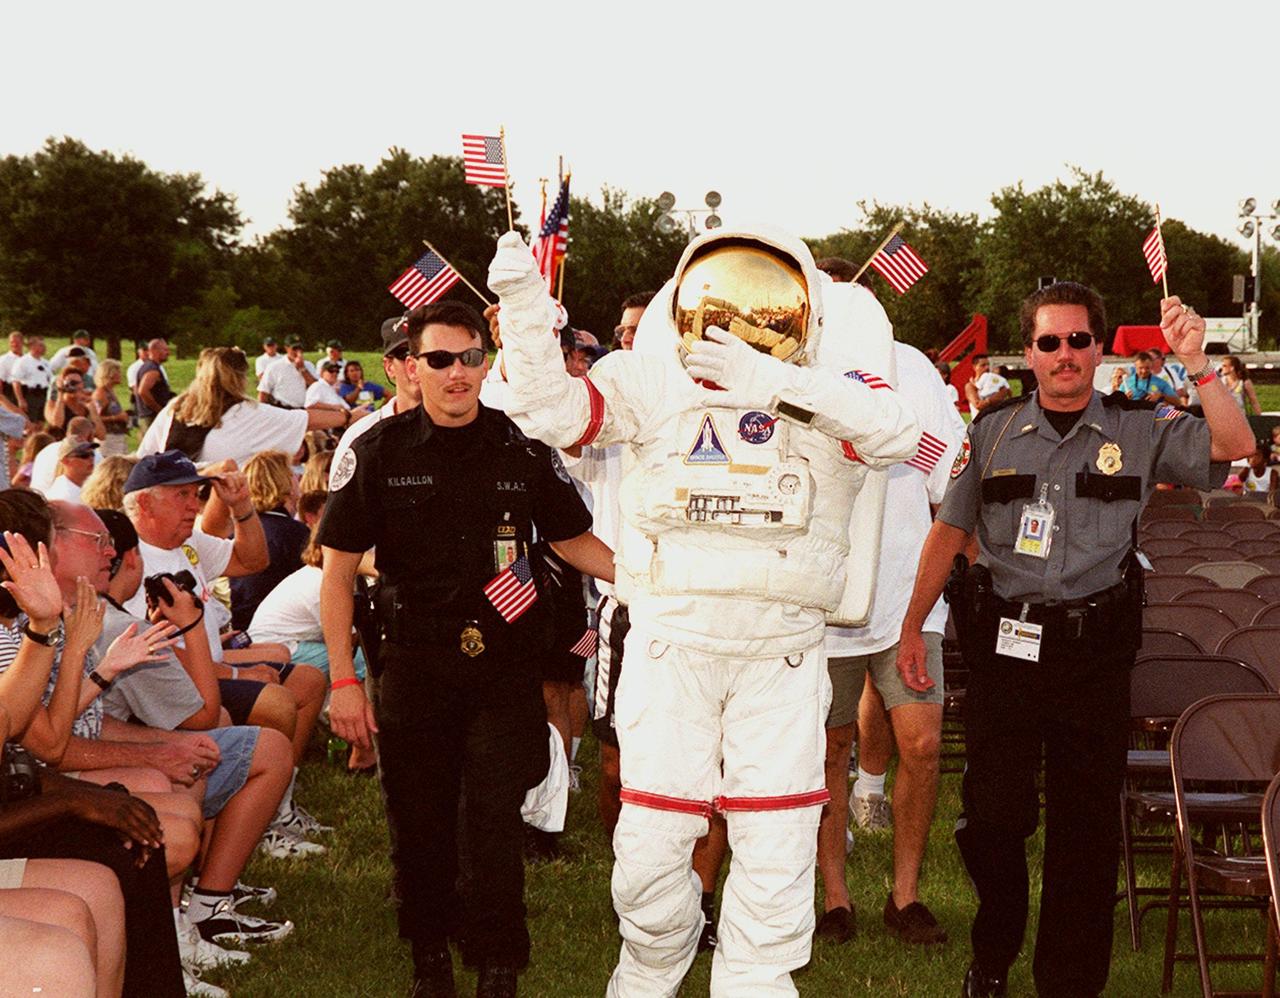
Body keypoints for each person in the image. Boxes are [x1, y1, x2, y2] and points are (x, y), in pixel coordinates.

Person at [488, 224, 919, 996]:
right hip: (671, 644)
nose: (733, 320)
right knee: (651, 841)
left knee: (776, 835)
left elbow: (897, 432)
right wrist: (523, 308)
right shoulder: (649, 379)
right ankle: (652, 965)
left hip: (780, 652)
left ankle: (754, 979)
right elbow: (552, 412)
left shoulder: (833, 390)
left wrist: (771, 383)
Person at [895, 283, 1253, 998]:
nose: (1065, 355)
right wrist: (912, 624)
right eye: (1049, 342)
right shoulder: (992, 430)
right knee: (994, 817)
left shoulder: (1139, 428)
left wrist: (1199, 364)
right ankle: (994, 951)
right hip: (1007, 648)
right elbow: (950, 530)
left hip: (1092, 653)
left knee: (1085, 831)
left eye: (1079, 341)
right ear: (1028, 352)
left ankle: (1067, 981)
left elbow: (1235, 445)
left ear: (1097, 350)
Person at [318, 299, 614, 998]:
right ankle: (429, 963)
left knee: (493, 825)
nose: (458, 373)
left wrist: (661, 577)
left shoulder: (521, 448)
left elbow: (575, 543)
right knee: (418, 822)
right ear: (412, 368)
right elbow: (335, 573)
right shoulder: (379, 453)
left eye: (471, 358)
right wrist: (342, 680)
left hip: (503, 670)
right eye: (440, 360)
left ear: (486, 363)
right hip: (415, 664)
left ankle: (499, 967)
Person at [816, 341, 964, 947]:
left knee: (923, 744)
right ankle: (833, 895)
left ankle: (905, 894)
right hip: (824, 598)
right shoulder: (800, 362)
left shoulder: (913, 368)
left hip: (909, 593)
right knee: (828, 747)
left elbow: (951, 474)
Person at [138, 346, 357, 465]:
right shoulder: (245, 413)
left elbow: (146, 454)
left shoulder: (176, 407)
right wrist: (348, 417)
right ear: (239, 378)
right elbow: (305, 419)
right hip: (219, 508)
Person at [326, 315, 422, 484]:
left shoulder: (465, 426)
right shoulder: (360, 437)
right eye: (405, 353)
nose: (414, 364)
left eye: (425, 353)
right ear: (389, 367)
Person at [229, 450, 309, 632]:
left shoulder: (239, 530)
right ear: (286, 482)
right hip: (280, 631)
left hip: (243, 627)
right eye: (293, 475)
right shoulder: (293, 533)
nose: (298, 479)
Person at [45, 366, 107, 441]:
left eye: (76, 383)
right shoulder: (54, 404)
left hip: (82, 448)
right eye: (71, 382)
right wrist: (60, 393)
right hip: (61, 447)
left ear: (82, 384)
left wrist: (93, 411)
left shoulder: (86, 406)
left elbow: (102, 435)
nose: (74, 386)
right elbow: (56, 424)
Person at [257, 338, 315, 409]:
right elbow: (263, 392)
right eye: (294, 348)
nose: (298, 352)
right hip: (282, 409)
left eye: (300, 348)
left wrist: (302, 369)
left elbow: (315, 386)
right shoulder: (274, 366)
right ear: (286, 348)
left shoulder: (309, 365)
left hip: (303, 409)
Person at [92, 358, 130, 456]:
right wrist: (116, 418)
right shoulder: (101, 394)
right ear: (109, 374)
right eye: (117, 372)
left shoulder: (111, 392)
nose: (120, 375)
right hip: (108, 439)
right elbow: (95, 417)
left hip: (117, 436)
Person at [12, 334, 53, 424]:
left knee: (40, 423)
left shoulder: (46, 363)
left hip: (44, 395)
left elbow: (50, 380)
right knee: (30, 423)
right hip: (30, 396)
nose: (44, 348)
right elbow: (16, 381)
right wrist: (21, 399)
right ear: (32, 346)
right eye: (41, 345)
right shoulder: (23, 361)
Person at [135, 339, 175, 430]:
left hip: (149, 415)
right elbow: (142, 391)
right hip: (151, 417)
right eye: (165, 350)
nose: (168, 353)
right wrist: (159, 410)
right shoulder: (152, 369)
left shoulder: (148, 366)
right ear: (154, 350)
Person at [46, 438, 99, 503]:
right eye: (84, 455)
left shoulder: (86, 487)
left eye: (92, 454)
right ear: (65, 461)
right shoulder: (63, 495)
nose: (91, 459)